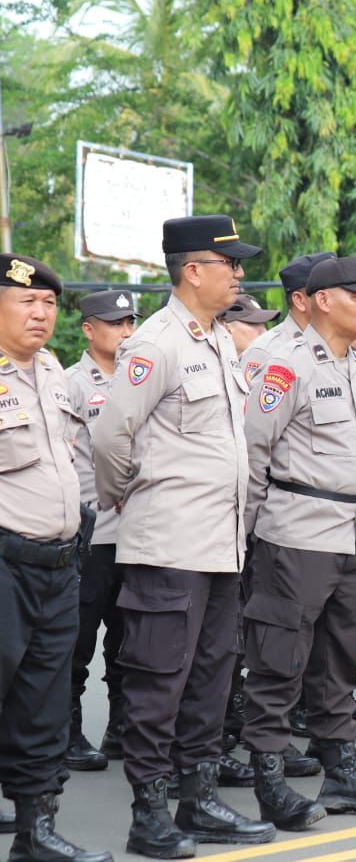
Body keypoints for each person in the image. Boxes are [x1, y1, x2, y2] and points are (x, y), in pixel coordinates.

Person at [94, 216, 278, 856]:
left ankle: (198, 801)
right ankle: (149, 814)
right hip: (169, 543)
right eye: (230, 264)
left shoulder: (220, 341)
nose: (240, 274)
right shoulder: (156, 343)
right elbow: (111, 437)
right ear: (193, 271)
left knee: (210, 678)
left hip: (221, 545)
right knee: (158, 681)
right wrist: (133, 495)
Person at [241, 257, 356, 828]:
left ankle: (339, 770)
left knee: (339, 659)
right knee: (279, 661)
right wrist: (254, 532)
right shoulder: (286, 365)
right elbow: (252, 454)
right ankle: (270, 781)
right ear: (319, 300)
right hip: (296, 533)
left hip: (350, 531)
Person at [0, 254, 115, 862]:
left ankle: (35, 833)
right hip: (5, 565)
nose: (41, 313)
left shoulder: (50, 372)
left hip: (58, 565)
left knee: (42, 706)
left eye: (48, 303)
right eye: (27, 301)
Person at [62, 288, 137, 774]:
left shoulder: (141, 378)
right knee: (77, 642)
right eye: (116, 323)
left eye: (131, 323)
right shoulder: (70, 384)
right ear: (89, 329)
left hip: (138, 535)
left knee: (130, 643)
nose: (126, 332)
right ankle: (66, 732)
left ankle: (122, 728)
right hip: (91, 536)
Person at [241, 253, 335, 384]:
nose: (341, 299)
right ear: (299, 300)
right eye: (326, 295)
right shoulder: (265, 352)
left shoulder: (341, 345)